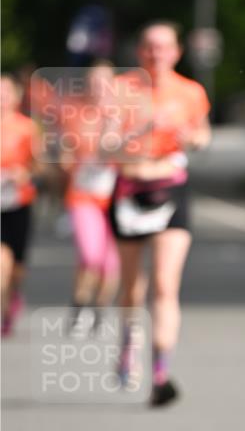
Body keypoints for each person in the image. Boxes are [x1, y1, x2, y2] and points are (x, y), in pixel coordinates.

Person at [110, 21, 211, 407]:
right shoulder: (121, 91)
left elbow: (203, 134)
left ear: (177, 52)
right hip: (130, 190)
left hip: (171, 188)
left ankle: (160, 371)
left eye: (163, 47)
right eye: (150, 47)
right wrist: (137, 132)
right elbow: (102, 144)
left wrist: (193, 139)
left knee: (166, 285)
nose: (156, 54)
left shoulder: (191, 91)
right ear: (140, 52)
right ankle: (127, 344)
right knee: (132, 288)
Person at [59, 61, 120, 332]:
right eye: (94, 82)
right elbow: (64, 155)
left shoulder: (124, 115)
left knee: (111, 262)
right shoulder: (75, 113)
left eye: (105, 82)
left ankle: (99, 309)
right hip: (83, 194)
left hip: (118, 196)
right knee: (91, 254)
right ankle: (79, 304)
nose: (99, 88)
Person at [0, 75, 41, 336]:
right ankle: (3, 310)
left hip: (18, 202)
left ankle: (13, 297)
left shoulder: (27, 128)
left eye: (4, 94)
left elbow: (39, 166)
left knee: (17, 268)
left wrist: (22, 173)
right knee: (1, 261)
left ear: (15, 98)